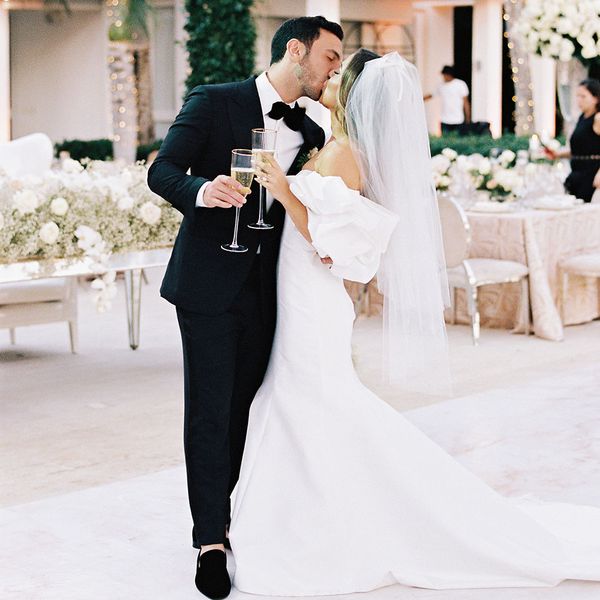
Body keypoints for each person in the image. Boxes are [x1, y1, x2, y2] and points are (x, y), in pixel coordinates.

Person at [228, 50, 600, 595]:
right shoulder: (332, 147)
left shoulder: (346, 155)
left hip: (312, 296)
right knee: (301, 399)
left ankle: (329, 530)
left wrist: (282, 189)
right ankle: (305, 520)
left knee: (312, 400)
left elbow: (335, 247)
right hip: (296, 293)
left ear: (353, 94)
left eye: (337, 75)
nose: (327, 79)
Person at [147, 16, 343, 599]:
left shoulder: (312, 131)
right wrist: (202, 192)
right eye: (330, 57)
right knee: (208, 410)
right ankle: (210, 542)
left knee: (242, 411)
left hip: (269, 291)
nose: (335, 68)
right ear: (295, 50)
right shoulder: (214, 101)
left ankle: (235, 517)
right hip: (207, 284)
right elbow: (162, 171)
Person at [545, 78, 600, 203]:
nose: (578, 100)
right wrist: (558, 154)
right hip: (577, 173)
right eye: (577, 96)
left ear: (595, 98)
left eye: (583, 96)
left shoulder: (598, 118)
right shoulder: (582, 117)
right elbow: (582, 149)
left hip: (592, 175)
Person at [424, 65, 471, 135]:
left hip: (458, 119)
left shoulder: (460, 84)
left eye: (444, 75)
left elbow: (466, 102)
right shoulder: (441, 86)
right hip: (445, 120)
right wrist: (419, 99)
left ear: (449, 75)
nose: (444, 77)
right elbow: (431, 95)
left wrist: (468, 118)